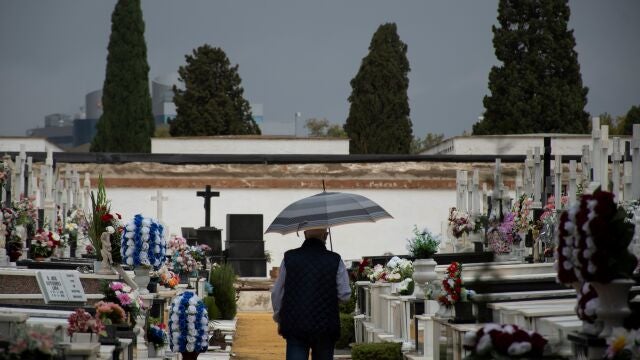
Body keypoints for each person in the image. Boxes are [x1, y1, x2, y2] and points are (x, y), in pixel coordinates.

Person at [271, 227, 351, 360]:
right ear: (325, 235)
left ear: (304, 234)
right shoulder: (335, 259)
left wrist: (279, 318)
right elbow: (345, 295)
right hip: (326, 326)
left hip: (295, 324)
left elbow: (277, 293)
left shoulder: (289, 258)